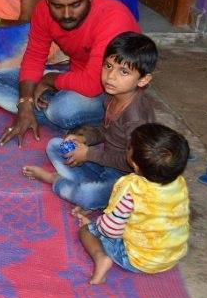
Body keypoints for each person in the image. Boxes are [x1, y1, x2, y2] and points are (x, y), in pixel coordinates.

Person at [0, 0, 140, 146]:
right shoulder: (42, 11)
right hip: (76, 77)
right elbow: (35, 55)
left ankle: (106, 120)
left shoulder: (113, 19)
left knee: (62, 110)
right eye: (57, 6)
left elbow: (93, 83)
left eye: (75, 4)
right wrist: (25, 103)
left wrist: (50, 79)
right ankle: (41, 107)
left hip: (110, 90)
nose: (66, 14)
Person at [22, 32, 157, 210]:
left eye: (124, 72)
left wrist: (88, 155)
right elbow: (105, 129)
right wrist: (84, 139)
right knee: (57, 146)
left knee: (89, 197)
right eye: (108, 66)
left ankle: (56, 180)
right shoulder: (112, 95)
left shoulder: (136, 119)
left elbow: (133, 162)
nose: (111, 76)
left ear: (143, 80)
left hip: (127, 178)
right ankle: (87, 187)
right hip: (106, 163)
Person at [72, 123, 190, 284]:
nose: (127, 149)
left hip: (139, 260)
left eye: (129, 148)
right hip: (171, 255)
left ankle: (101, 259)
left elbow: (110, 230)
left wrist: (95, 226)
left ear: (134, 164)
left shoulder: (131, 188)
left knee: (86, 231)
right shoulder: (179, 183)